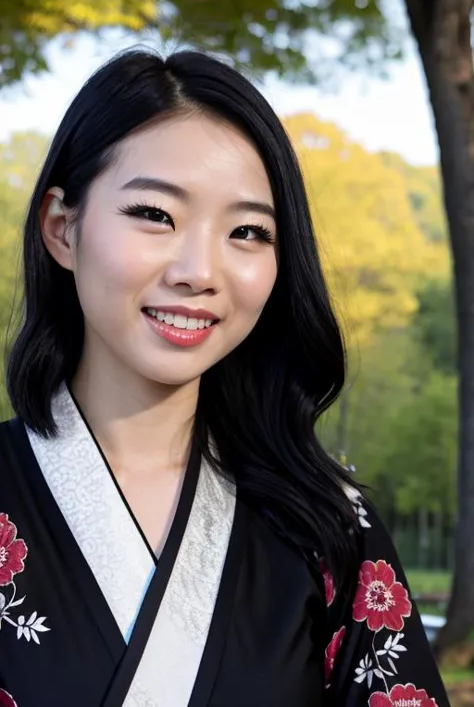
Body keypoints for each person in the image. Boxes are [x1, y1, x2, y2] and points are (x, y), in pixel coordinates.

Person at [0, 49, 449, 707]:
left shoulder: (325, 521)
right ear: (62, 229)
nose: (198, 270)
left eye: (246, 230)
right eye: (154, 214)